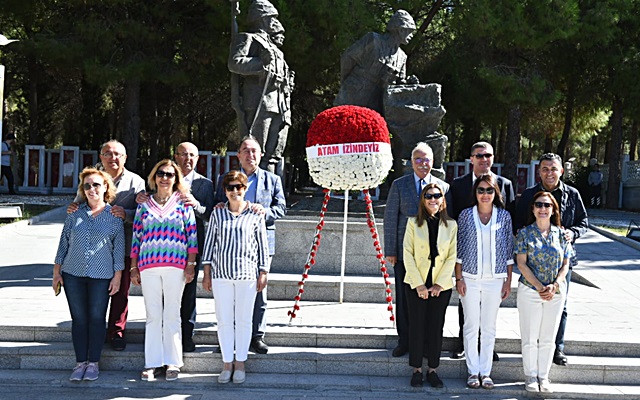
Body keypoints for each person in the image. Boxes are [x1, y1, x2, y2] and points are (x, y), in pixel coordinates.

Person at [67, 140, 145, 351]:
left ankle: (116, 331)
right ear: (101, 157)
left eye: (118, 154)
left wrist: (126, 214)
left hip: (126, 245)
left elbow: (145, 213)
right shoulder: (93, 179)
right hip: (95, 248)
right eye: (108, 154)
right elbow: (79, 204)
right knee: (96, 291)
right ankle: (96, 331)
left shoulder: (136, 182)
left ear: (125, 158)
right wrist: (74, 207)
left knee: (120, 292)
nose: (113, 158)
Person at [136, 142, 214, 353]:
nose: (188, 158)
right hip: (158, 253)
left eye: (192, 155)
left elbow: (210, 214)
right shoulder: (162, 178)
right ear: (176, 156)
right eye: (183, 154)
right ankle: (160, 340)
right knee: (160, 300)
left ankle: (186, 337)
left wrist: (195, 204)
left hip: (191, 247)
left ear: (197, 159)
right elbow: (147, 206)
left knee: (187, 293)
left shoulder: (205, 184)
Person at [214, 136, 286, 355]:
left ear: (261, 154)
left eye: (254, 151)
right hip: (231, 246)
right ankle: (229, 337)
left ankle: (256, 336)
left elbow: (281, 208)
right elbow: (219, 204)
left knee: (258, 292)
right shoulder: (227, 179)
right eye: (245, 151)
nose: (250, 155)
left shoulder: (272, 180)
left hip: (261, 243)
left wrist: (265, 213)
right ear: (238, 155)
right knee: (230, 292)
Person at [514, 153, 587, 367]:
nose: (549, 173)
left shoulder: (572, 194)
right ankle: (535, 346)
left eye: (553, 169)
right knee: (534, 305)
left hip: (562, 262)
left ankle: (557, 348)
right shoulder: (529, 195)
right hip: (533, 262)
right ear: (539, 171)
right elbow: (518, 223)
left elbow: (584, 222)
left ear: (561, 171)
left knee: (560, 304)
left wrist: (572, 233)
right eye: (545, 169)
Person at [53, 167, 125, 381]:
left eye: (96, 184)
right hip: (73, 274)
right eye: (87, 185)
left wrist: (117, 276)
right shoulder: (74, 214)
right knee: (79, 319)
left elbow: (119, 249)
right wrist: (57, 273)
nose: (92, 189)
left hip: (101, 276)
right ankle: (80, 362)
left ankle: (93, 362)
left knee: (96, 318)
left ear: (105, 188)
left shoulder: (114, 217)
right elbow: (63, 243)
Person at [446, 141, 515, 360]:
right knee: (465, 300)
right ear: (472, 159)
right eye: (479, 155)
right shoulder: (457, 185)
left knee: (489, 309)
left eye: (488, 155)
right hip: (466, 256)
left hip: (493, 260)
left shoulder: (505, 184)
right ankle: (463, 342)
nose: (484, 159)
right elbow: (452, 218)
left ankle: (487, 346)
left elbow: (509, 220)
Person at [130, 159, 198, 381]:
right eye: (161, 173)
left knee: (171, 314)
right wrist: (133, 267)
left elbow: (192, 237)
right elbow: (136, 236)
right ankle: (152, 363)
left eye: (170, 174)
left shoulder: (183, 203)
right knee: (152, 315)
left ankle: (173, 362)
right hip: (148, 266)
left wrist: (191, 264)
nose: (165, 178)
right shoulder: (144, 204)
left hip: (175, 267)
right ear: (154, 176)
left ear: (176, 178)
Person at [203, 171, 269, 384]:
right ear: (225, 191)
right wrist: (206, 272)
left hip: (247, 275)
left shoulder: (255, 214)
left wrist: (263, 271)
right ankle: (226, 363)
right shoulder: (217, 213)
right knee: (223, 320)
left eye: (238, 187)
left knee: (243, 320)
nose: (234, 191)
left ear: (245, 189)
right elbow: (210, 243)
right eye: (230, 187)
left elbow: (262, 245)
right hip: (221, 274)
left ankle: (240, 362)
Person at [383, 142, 449, 358]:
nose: (422, 163)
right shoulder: (400, 185)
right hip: (406, 255)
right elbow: (391, 217)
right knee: (405, 299)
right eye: (418, 159)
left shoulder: (443, 187)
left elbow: (447, 221)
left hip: (435, 258)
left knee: (430, 302)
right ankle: (405, 341)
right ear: (411, 162)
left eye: (426, 159)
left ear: (433, 161)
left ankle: (427, 343)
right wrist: (391, 250)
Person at [454, 174, 514, 390]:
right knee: (470, 326)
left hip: (495, 280)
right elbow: (459, 249)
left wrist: (507, 281)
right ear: (475, 193)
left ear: (495, 193)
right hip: (469, 278)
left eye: (489, 190)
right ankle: (472, 372)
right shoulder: (465, 216)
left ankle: (486, 372)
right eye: (481, 190)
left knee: (488, 327)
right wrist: (459, 277)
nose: (485, 194)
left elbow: (508, 250)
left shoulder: (504, 217)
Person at [228, 0, 294, 176]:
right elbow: (235, 63)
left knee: (273, 154)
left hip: (279, 105)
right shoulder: (248, 38)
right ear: (263, 19)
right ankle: (252, 193)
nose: (276, 23)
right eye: (272, 18)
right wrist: (261, 64)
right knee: (254, 153)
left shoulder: (277, 50)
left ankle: (271, 193)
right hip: (259, 102)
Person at [515, 192, 572, 393]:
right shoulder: (524, 234)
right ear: (533, 209)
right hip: (530, 290)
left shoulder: (562, 234)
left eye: (547, 205)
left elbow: (566, 264)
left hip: (555, 293)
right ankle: (530, 375)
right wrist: (540, 287)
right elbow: (521, 263)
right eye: (538, 204)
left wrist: (555, 285)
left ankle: (543, 376)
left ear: (553, 209)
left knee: (548, 337)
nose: (543, 208)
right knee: (530, 336)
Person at [403, 183, 457, 388]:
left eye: (437, 196)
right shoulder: (412, 223)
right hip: (416, 283)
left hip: (440, 286)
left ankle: (433, 369)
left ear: (443, 200)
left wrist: (438, 285)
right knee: (417, 326)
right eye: (428, 196)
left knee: (436, 327)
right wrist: (418, 285)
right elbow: (407, 253)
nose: (433, 199)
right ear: (423, 200)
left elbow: (452, 256)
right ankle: (416, 369)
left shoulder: (451, 225)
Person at [334, 9, 419, 115]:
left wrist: (409, 84)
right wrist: (346, 80)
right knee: (339, 124)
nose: (411, 36)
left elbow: (398, 85)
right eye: (410, 31)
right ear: (401, 29)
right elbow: (348, 57)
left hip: (375, 102)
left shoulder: (402, 57)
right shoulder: (373, 40)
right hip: (353, 93)